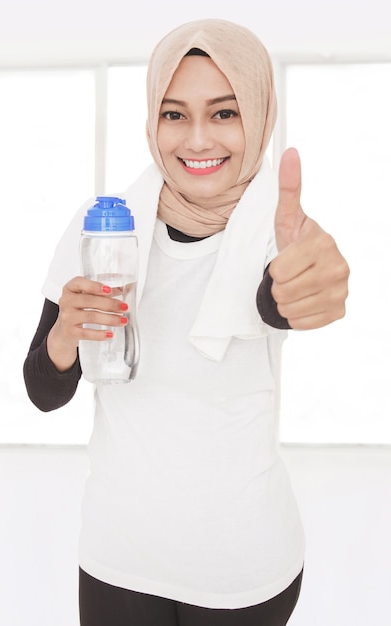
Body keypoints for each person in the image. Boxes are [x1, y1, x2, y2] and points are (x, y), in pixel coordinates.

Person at [23, 18, 349, 626]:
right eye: (174, 114)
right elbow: (42, 391)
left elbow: (275, 299)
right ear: (152, 121)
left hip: (243, 572)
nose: (197, 139)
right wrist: (66, 336)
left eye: (224, 113)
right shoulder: (101, 228)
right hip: (118, 559)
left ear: (258, 113)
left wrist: (314, 287)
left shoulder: (277, 237)